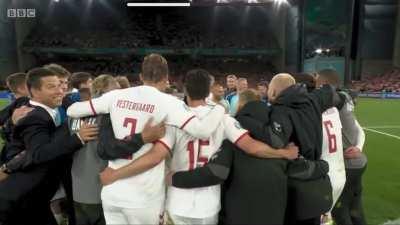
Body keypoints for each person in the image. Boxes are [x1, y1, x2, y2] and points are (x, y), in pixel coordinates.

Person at [97, 69, 298, 225]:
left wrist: (116, 174)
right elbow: (252, 147)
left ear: (184, 89)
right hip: (208, 204)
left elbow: (155, 157)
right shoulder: (223, 118)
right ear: (209, 90)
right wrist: (283, 152)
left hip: (177, 201)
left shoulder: (174, 119)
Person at [66, 54, 226, 225]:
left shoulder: (116, 96)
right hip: (144, 197)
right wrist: (219, 109)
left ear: (141, 77)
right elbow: (202, 131)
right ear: (166, 78)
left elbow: (72, 110)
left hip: (112, 192)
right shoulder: (170, 103)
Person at [236, 73, 343, 225]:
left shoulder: (282, 109)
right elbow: (335, 95)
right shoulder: (313, 99)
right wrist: (346, 97)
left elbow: (276, 139)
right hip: (317, 181)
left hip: (297, 186)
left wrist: (244, 118)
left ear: (273, 91)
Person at [0, 67, 98, 225]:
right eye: (52, 87)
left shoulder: (48, 111)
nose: (60, 90)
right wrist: (78, 137)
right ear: (34, 91)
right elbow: (39, 153)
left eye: (60, 85)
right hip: (21, 198)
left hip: (35, 197)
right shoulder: (34, 116)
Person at [316, 69, 367, 225]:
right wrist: (359, 147)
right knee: (355, 208)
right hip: (359, 161)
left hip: (347, 165)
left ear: (324, 83)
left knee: (340, 211)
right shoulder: (345, 98)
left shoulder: (335, 100)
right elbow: (359, 128)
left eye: (317, 80)